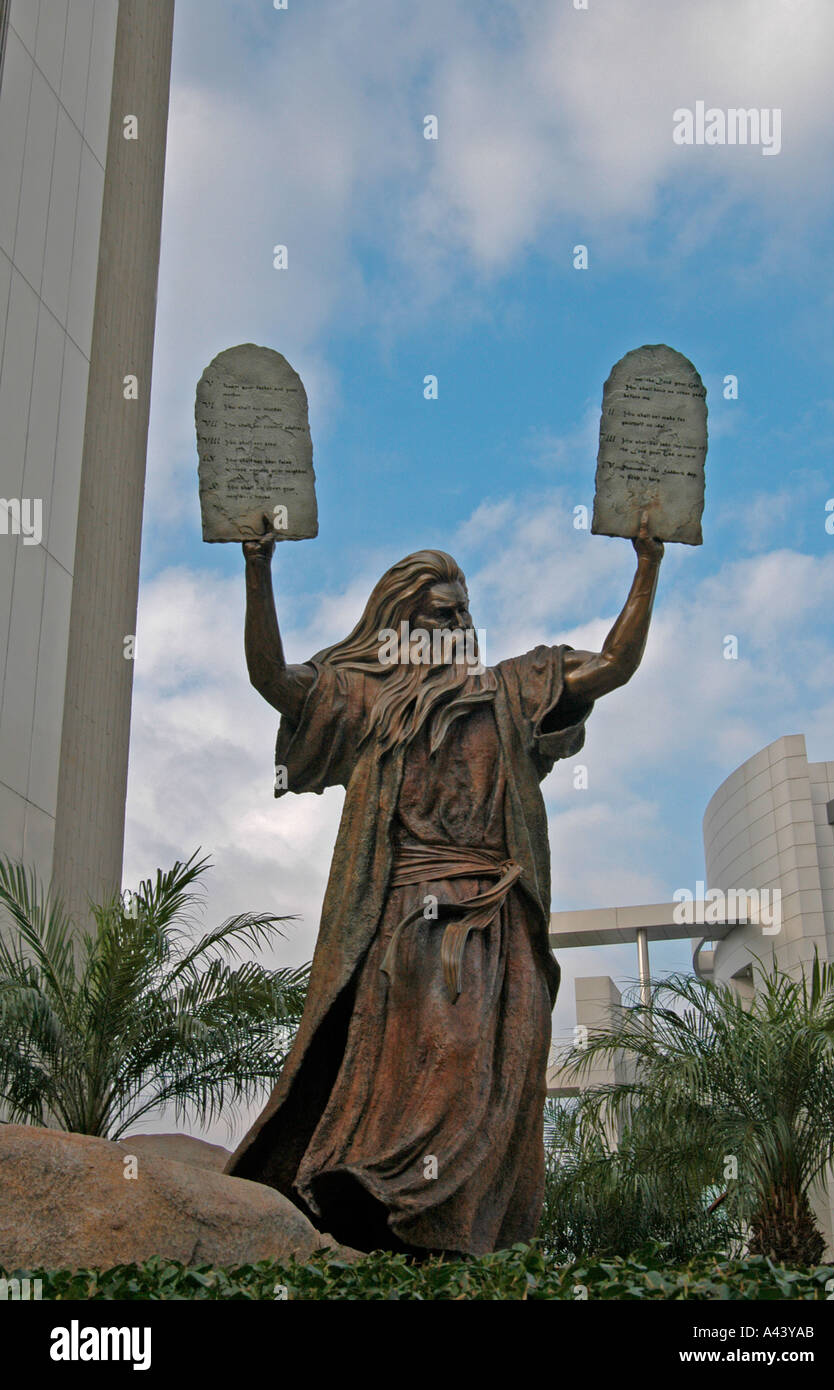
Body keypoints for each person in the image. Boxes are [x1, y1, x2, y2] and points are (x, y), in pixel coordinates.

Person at [225, 517, 663, 1255]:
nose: (461, 623)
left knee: (499, 1077)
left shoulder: (512, 688)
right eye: (442, 613)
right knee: (437, 1062)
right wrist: (257, 571)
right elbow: (272, 679)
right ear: (403, 624)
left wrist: (647, 564)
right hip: (410, 923)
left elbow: (615, 664)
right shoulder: (365, 701)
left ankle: (459, 1234)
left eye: (464, 610)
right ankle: (377, 1199)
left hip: (501, 924)